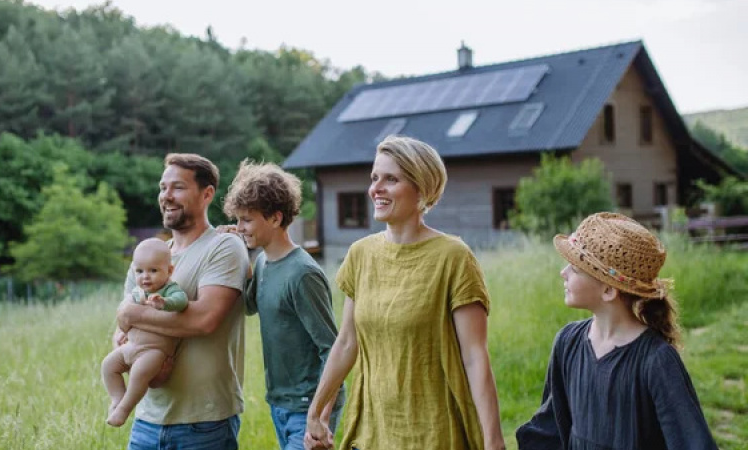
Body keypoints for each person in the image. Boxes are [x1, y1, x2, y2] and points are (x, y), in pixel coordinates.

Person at [304, 136, 506, 450]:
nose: (376, 189)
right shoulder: (361, 254)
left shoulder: (454, 257)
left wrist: (494, 443)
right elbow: (346, 342)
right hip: (372, 429)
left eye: (391, 179)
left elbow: (475, 357)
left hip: (434, 432)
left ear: (422, 189)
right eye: (374, 178)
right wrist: (316, 412)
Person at [516, 212, 718, 449]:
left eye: (576, 267)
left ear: (609, 291)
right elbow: (551, 426)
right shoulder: (567, 342)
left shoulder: (656, 360)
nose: (564, 272)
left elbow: (691, 442)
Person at [114, 153, 251, 450]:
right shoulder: (149, 256)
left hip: (204, 424)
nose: (166, 196)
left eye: (177, 187)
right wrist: (132, 339)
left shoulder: (224, 246)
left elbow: (204, 320)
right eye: (163, 188)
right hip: (147, 420)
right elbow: (122, 330)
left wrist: (130, 313)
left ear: (207, 194)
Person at [220, 160, 346, 450]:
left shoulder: (303, 274)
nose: (239, 227)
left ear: (275, 219)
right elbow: (250, 305)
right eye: (238, 219)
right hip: (280, 402)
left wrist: (321, 419)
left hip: (308, 407)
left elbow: (333, 348)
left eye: (246, 220)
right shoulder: (263, 260)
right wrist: (235, 250)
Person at [102, 238, 188, 427]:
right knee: (108, 366)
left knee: (139, 374)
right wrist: (124, 329)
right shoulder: (137, 291)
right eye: (139, 271)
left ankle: (124, 409)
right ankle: (117, 398)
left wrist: (164, 303)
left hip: (154, 351)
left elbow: (182, 301)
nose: (145, 277)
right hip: (131, 345)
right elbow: (124, 312)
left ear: (169, 271)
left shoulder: (169, 289)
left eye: (153, 270)